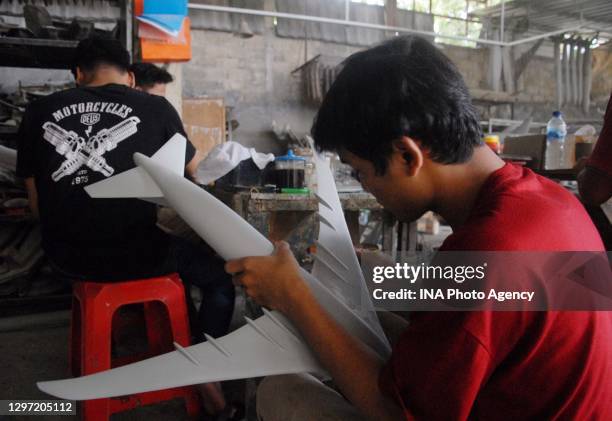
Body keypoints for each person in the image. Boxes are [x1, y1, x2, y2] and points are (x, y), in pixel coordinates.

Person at [224, 36, 612, 420]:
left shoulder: (487, 251)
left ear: (407, 156)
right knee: (376, 294)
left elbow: (395, 413)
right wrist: (385, 273)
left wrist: (293, 295)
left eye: (360, 174)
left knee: (283, 391)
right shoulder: (549, 199)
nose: (367, 190)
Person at [16, 36, 234, 416]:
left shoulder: (37, 112)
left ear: (78, 74)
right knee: (218, 280)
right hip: (140, 254)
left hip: (65, 258)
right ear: (130, 76)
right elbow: (191, 178)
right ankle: (206, 375)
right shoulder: (157, 107)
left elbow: (37, 207)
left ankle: (156, 352)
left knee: (171, 268)